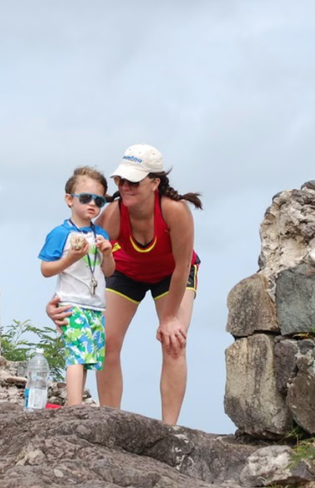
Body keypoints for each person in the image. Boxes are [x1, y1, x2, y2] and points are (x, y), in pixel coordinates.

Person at [46, 144, 202, 425]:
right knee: (105, 342)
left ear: (155, 183)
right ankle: (111, 423)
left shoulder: (175, 211)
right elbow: (86, 265)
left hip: (171, 275)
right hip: (126, 272)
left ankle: (170, 430)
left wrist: (168, 317)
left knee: (173, 341)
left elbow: (181, 268)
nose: (125, 186)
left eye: (134, 181)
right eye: (121, 180)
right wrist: (61, 300)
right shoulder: (114, 214)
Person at [39, 166, 115, 406]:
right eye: (85, 198)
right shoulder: (60, 233)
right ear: (69, 200)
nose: (92, 204)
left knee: (88, 357)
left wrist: (108, 252)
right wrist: (69, 258)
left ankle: (77, 401)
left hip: (95, 303)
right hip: (71, 302)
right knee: (77, 355)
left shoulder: (100, 233)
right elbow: (46, 269)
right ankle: (74, 406)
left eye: (99, 200)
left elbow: (109, 271)